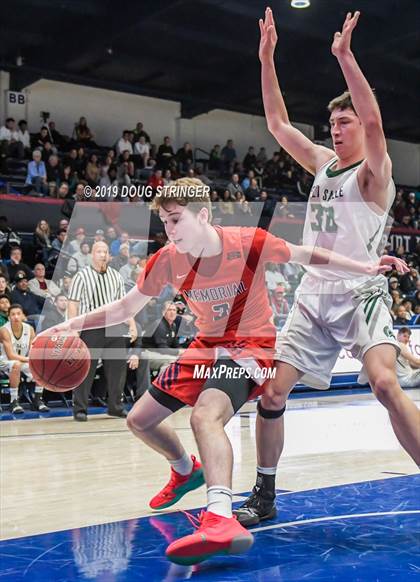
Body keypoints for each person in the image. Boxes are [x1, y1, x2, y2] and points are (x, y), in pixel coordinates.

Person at [39, 178, 401, 564]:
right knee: (140, 419)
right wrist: (68, 326)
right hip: (206, 347)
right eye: (164, 221)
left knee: (205, 416)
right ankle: (184, 470)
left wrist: (364, 266)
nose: (170, 230)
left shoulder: (248, 242)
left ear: (204, 215)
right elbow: (124, 309)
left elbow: (306, 253)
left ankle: (220, 516)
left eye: (176, 220)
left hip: (250, 346)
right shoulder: (166, 260)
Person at [234, 9, 420, 527]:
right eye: (333, 123)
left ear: (361, 125)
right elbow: (276, 123)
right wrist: (267, 58)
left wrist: (345, 56)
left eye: (345, 121)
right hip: (313, 295)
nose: (337, 129)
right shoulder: (321, 163)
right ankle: (264, 494)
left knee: (383, 384)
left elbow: (378, 120)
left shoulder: (375, 173)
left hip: (361, 293)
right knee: (271, 391)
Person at [67, 241, 138, 421]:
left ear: (109, 255)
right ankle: (80, 409)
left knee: (117, 370)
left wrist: (132, 324)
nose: (102, 255)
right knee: (86, 370)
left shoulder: (116, 276)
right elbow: (73, 304)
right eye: (99, 251)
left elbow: (123, 304)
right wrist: (74, 328)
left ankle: (115, 406)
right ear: (92, 254)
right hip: (90, 327)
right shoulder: (81, 276)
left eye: (105, 251)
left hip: (114, 327)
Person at [0, 304, 49, 413]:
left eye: (18, 314)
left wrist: (35, 360)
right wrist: (30, 360)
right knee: (16, 364)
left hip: (22, 361)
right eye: (13, 314)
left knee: (40, 365)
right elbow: (10, 356)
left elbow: (33, 350)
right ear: (9, 317)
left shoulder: (30, 329)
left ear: (23, 316)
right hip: (4, 361)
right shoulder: (4, 330)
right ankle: (13, 402)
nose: (16, 317)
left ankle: (37, 400)